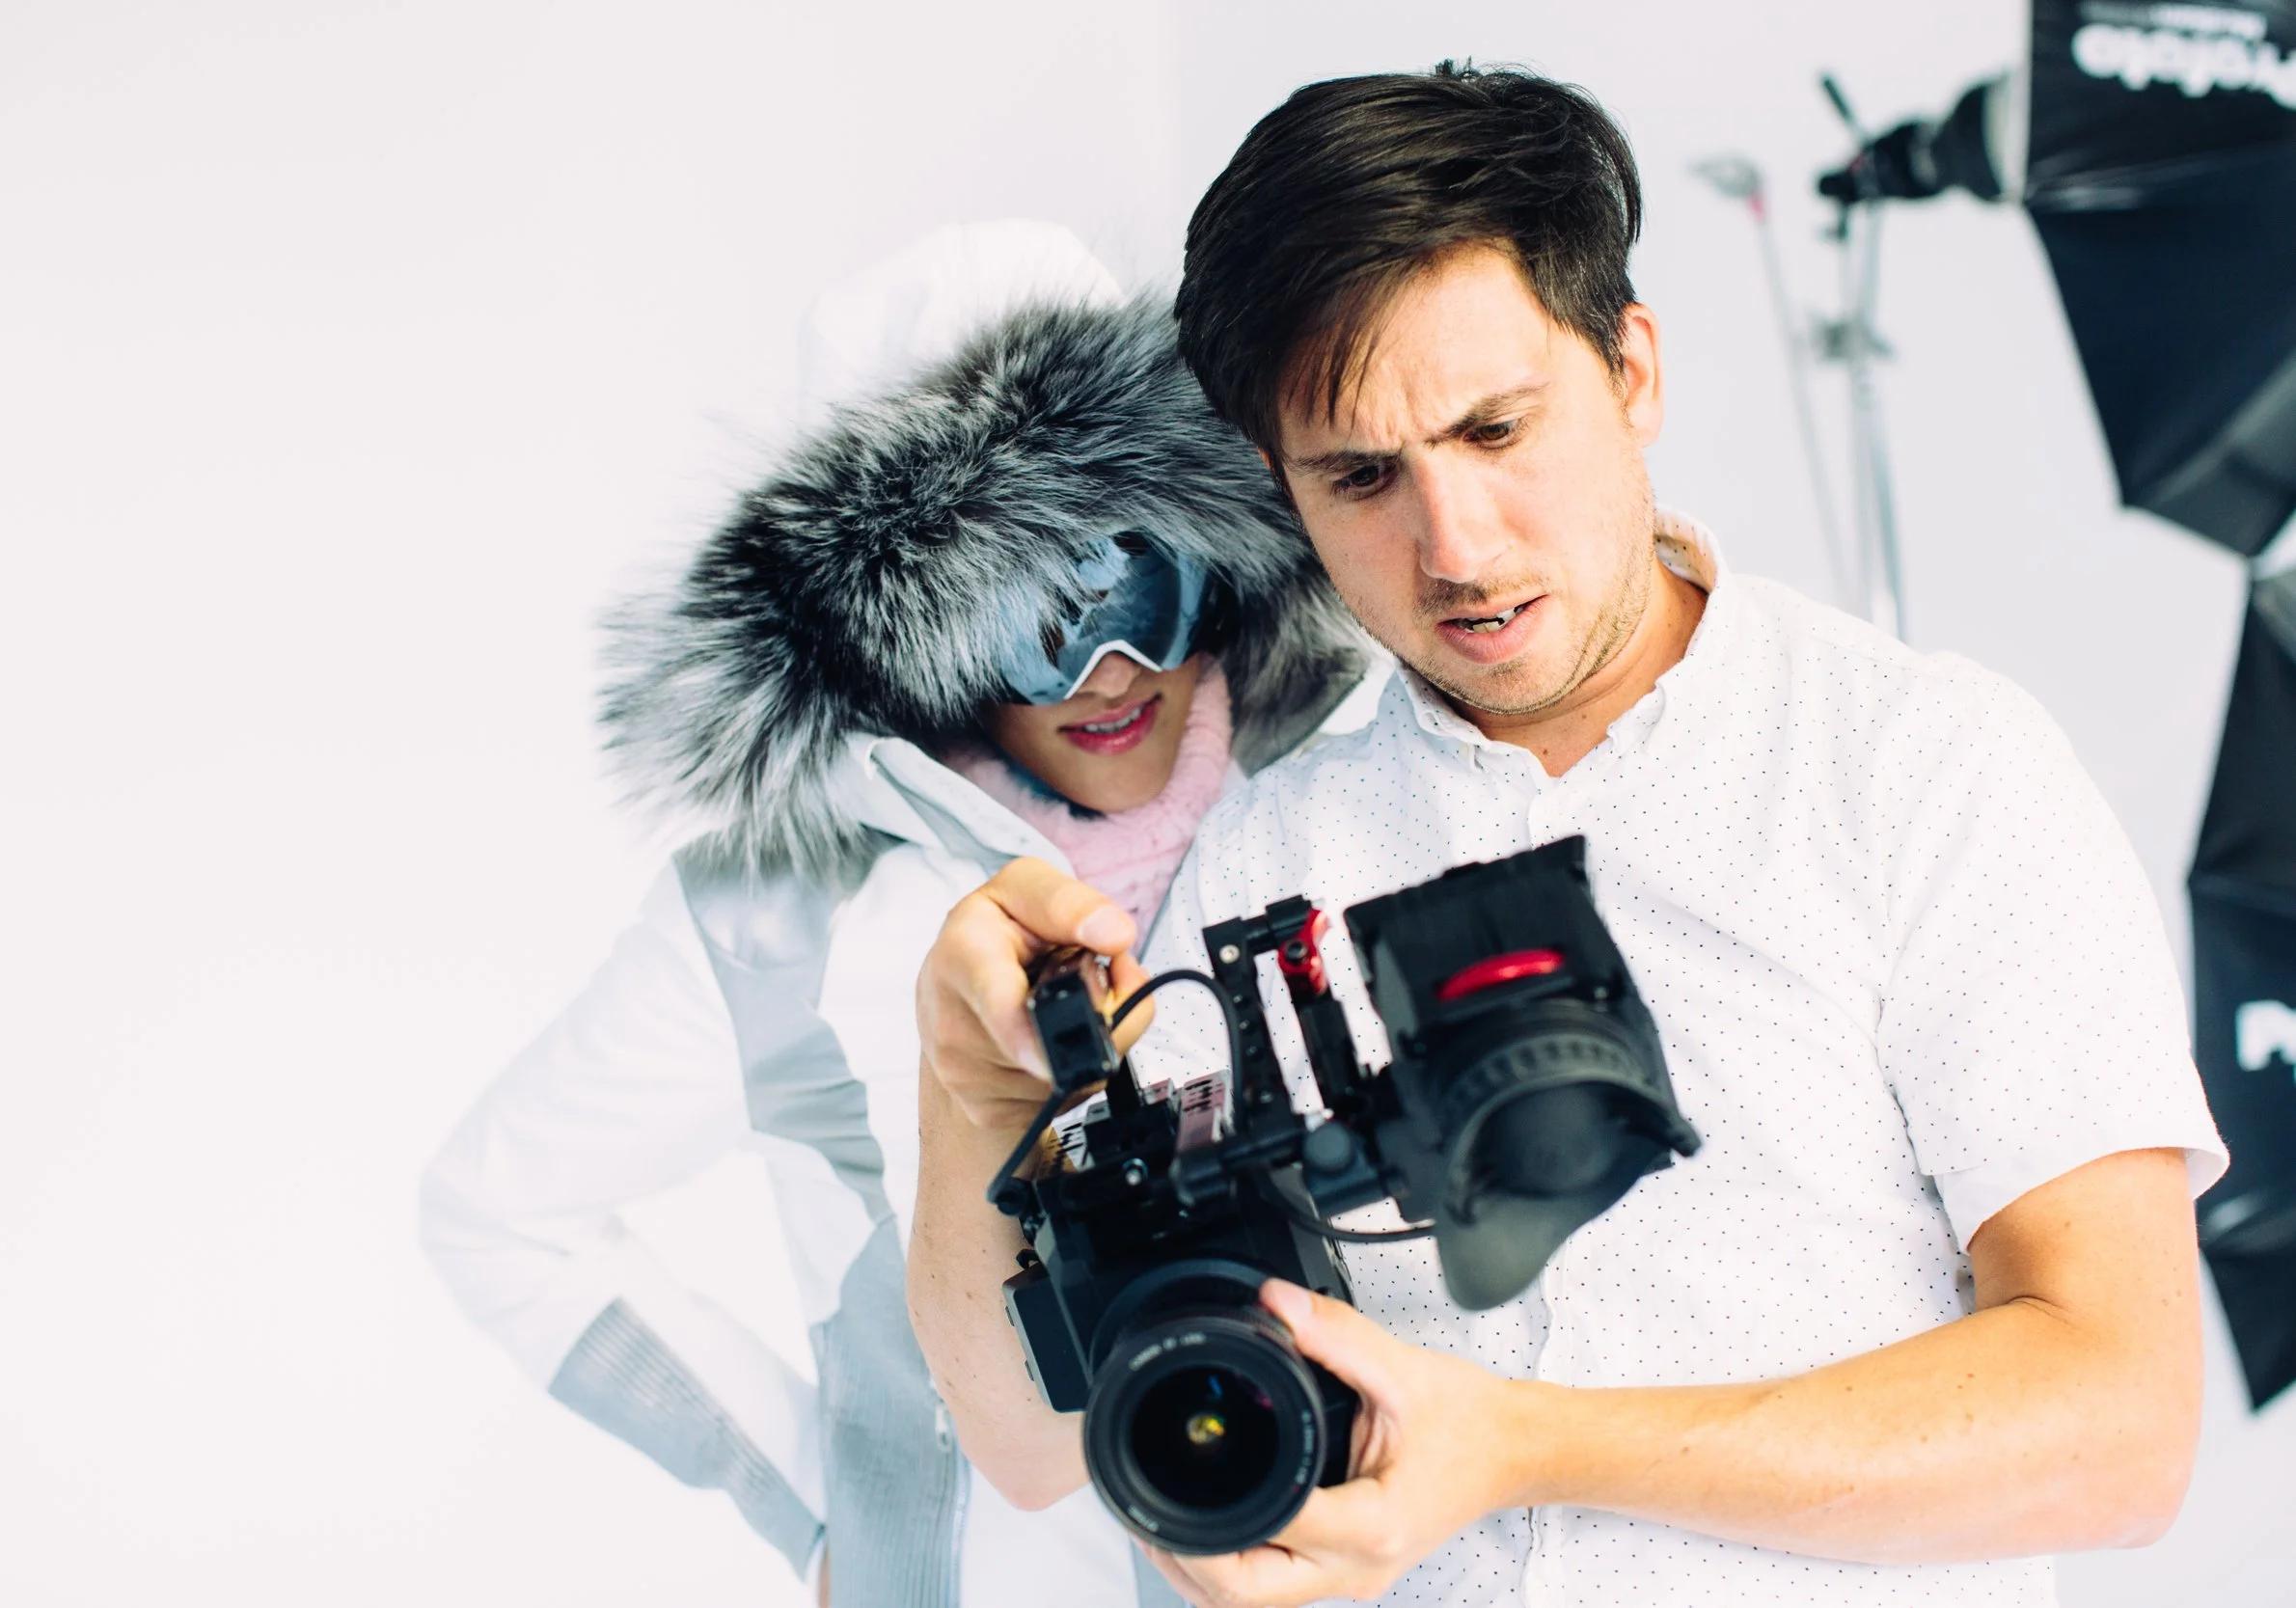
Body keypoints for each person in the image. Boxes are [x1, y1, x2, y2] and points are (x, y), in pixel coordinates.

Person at [906, 68, 2228, 1608]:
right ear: (1282, 485)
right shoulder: (1262, 865)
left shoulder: (1923, 769)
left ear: (1633, 371)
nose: (1456, 546)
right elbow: (1030, 1449)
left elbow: (2119, 1424)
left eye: (1496, 428)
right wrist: (969, 1089)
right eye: (1362, 476)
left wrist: (1522, 1446)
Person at [418, 224, 1369, 1608]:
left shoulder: (1356, 796)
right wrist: (821, 1512)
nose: (1108, 670)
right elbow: (497, 1211)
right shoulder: (777, 922)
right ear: (908, 641)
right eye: (1023, 616)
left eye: (1136, 580)